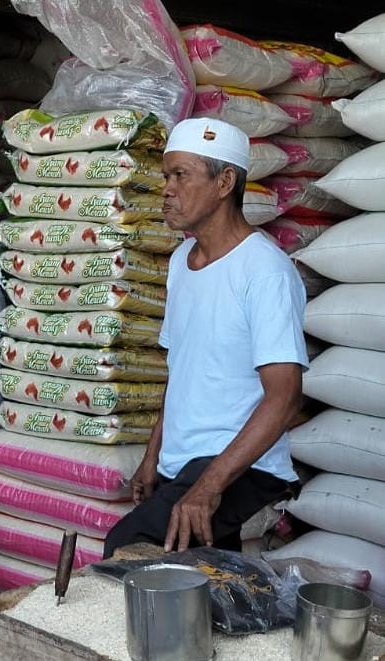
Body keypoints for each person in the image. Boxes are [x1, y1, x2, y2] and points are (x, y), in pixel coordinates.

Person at [102, 118, 307, 559]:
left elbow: (286, 397)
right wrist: (153, 456)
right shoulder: (181, 262)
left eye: (181, 175)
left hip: (241, 463)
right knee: (210, 568)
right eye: (165, 176)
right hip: (188, 461)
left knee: (129, 546)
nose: (168, 190)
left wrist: (209, 485)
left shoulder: (265, 270)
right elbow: (184, 370)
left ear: (224, 182)